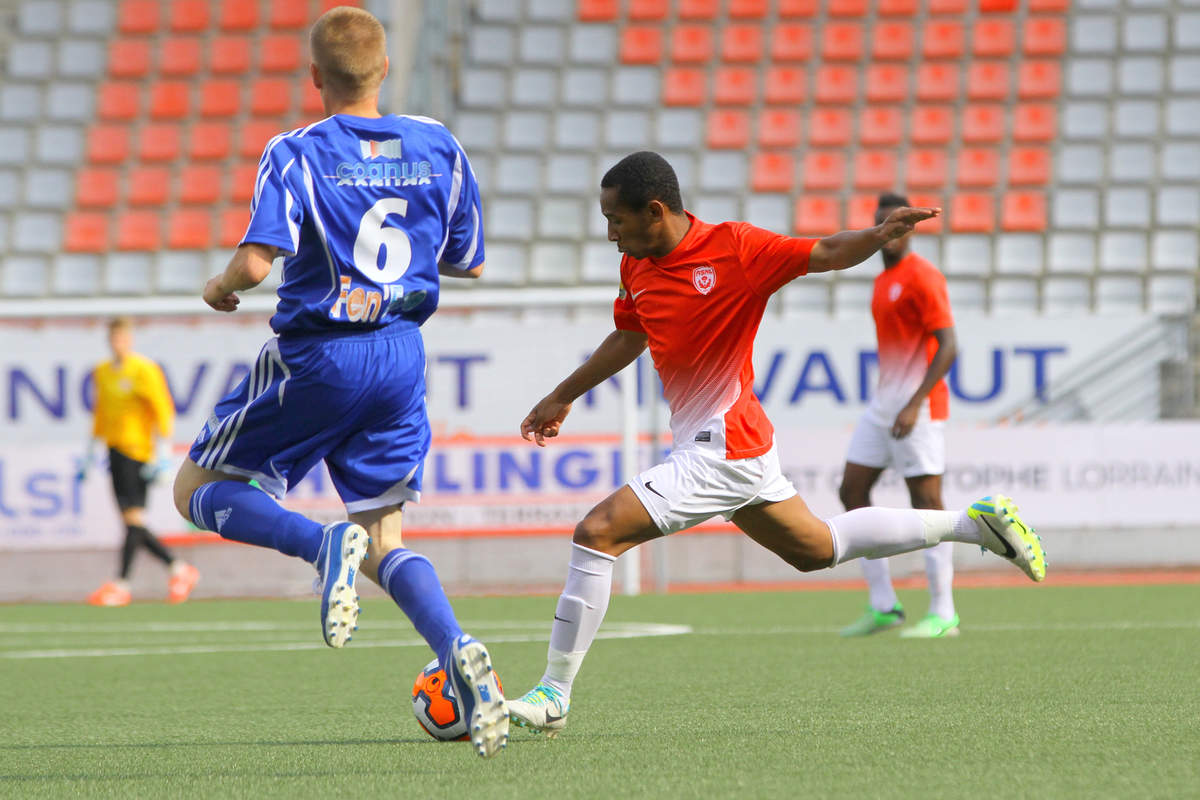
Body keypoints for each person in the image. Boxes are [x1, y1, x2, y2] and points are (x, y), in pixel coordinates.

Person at [508, 151, 1045, 736]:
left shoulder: (736, 249)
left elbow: (825, 252)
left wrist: (876, 236)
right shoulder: (636, 265)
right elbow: (629, 334)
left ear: (655, 211)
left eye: (616, 219)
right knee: (817, 548)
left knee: (596, 534)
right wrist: (562, 395)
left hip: (722, 446)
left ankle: (554, 693)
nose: (610, 233)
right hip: (735, 447)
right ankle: (975, 525)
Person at [169, 7, 507, 758]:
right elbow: (471, 260)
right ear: (384, 69)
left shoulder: (296, 151)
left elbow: (255, 263)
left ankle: (321, 546)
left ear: (315, 76)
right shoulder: (439, 144)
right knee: (385, 536)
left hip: (322, 354)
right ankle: (456, 647)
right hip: (402, 356)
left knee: (194, 489)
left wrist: (220, 286)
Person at [838, 191, 961, 639]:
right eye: (882, 223)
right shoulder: (881, 282)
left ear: (909, 228)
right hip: (883, 405)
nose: (889, 232)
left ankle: (944, 612)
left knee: (927, 505)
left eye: (897, 223)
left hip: (918, 409)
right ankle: (884, 605)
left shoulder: (923, 277)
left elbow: (949, 346)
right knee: (851, 491)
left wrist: (914, 403)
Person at [81, 316, 199, 607]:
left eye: (122, 338)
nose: (117, 343)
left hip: (138, 452)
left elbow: (162, 410)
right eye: (113, 338)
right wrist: (90, 452)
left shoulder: (144, 370)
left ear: (130, 339)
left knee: (133, 520)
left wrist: (163, 453)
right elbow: (100, 413)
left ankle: (122, 584)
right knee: (131, 522)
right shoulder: (102, 372)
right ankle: (178, 569)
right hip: (114, 451)